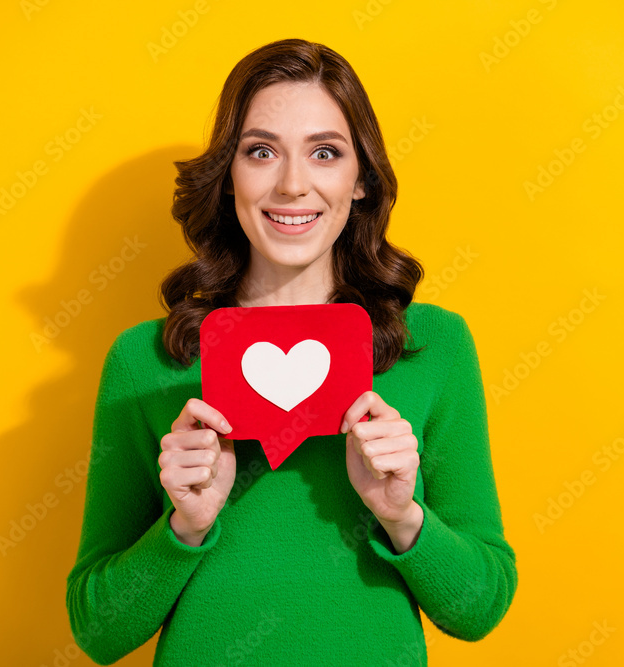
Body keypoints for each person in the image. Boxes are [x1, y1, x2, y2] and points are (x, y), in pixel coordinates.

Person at [65, 38, 517, 666]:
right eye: (261, 151)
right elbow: (98, 629)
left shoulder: (435, 345)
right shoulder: (145, 361)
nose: (292, 185)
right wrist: (185, 527)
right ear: (228, 175)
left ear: (360, 179)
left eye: (325, 153)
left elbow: (479, 609)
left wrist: (401, 514)